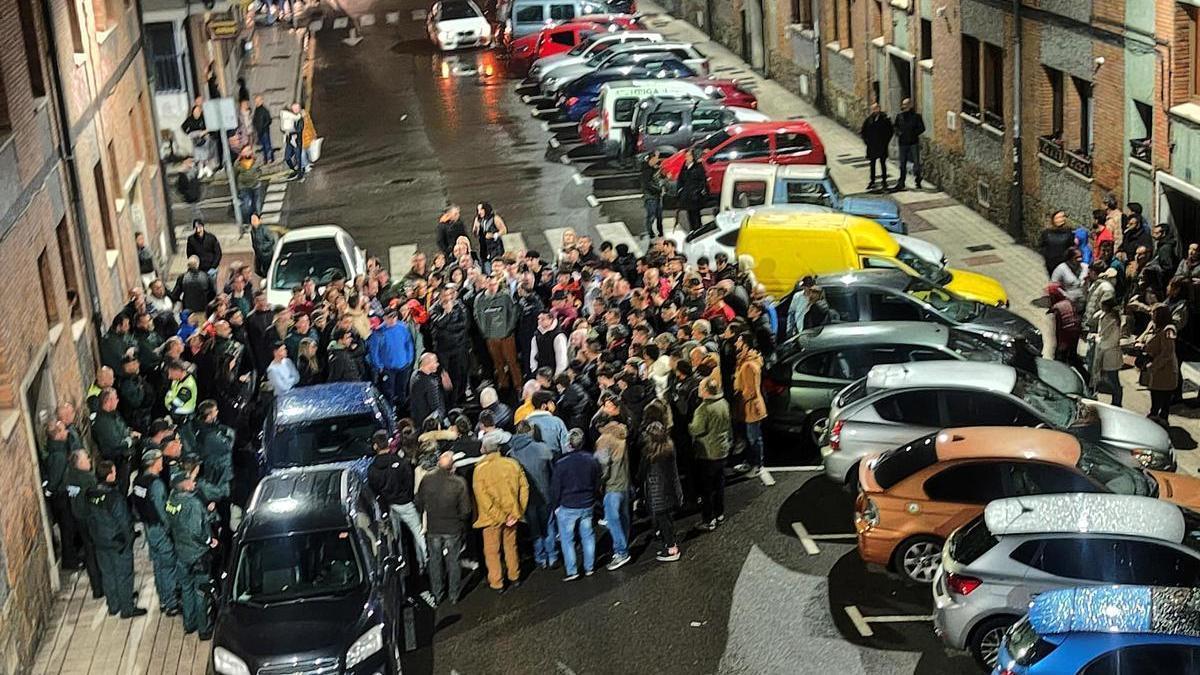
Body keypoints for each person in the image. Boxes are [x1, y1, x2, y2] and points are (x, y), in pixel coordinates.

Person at [87, 460, 146, 618]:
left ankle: (113, 605)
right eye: (113, 471)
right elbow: (124, 521)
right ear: (109, 475)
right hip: (117, 541)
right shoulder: (114, 497)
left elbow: (89, 518)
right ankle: (127, 608)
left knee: (108, 574)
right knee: (124, 574)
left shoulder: (91, 494)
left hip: (100, 541)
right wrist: (129, 539)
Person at [472, 437, 529, 592]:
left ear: (484, 450)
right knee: (511, 546)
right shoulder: (512, 464)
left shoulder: (479, 470)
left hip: (491, 519)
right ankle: (514, 575)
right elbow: (524, 488)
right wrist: (517, 512)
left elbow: (483, 500)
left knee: (492, 551)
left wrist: (501, 517)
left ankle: (497, 582)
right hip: (512, 515)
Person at [416, 450, 472, 605]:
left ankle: (437, 593)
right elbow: (466, 510)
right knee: (453, 561)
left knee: (435, 561)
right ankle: (454, 594)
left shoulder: (427, 480)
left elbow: (418, 503)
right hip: (453, 528)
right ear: (452, 467)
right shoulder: (459, 483)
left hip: (434, 527)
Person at [165, 462, 214, 639]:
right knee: (202, 591)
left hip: (181, 552)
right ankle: (204, 628)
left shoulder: (171, 499)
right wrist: (210, 540)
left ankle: (189, 623)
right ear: (184, 484)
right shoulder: (192, 504)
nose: (193, 481)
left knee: (186, 589)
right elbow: (196, 530)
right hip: (198, 554)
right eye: (190, 479)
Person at [367, 430, 426, 570]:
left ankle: (400, 566)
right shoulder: (400, 462)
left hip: (387, 506)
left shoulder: (372, 469)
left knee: (395, 538)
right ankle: (425, 560)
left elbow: (374, 490)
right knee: (418, 533)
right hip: (405, 503)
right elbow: (409, 483)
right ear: (388, 443)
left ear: (375, 446)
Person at [132, 449, 181, 615]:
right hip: (159, 528)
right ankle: (171, 604)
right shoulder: (156, 484)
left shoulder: (138, 481)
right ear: (153, 462)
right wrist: (169, 529)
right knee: (168, 565)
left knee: (159, 566)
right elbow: (162, 509)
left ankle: (163, 600)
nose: (162, 462)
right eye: (160, 460)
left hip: (148, 527)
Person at [550, 429, 600, 580]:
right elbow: (597, 480)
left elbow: (555, 488)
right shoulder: (591, 459)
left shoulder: (561, 464)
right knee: (588, 535)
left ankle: (572, 571)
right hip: (587, 503)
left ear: (569, 444)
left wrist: (555, 507)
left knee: (567, 540)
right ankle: (589, 567)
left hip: (568, 506)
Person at [508, 421, 557, 568]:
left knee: (534, 529)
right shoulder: (542, 448)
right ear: (530, 433)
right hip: (545, 494)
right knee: (548, 526)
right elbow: (552, 472)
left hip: (527, 499)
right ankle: (552, 556)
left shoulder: (512, 454)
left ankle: (540, 558)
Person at [688, 377, 731, 530]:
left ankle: (708, 519)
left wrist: (689, 426)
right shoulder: (723, 403)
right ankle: (720, 513)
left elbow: (697, 429)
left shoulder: (704, 409)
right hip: (722, 450)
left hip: (708, 453)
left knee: (706, 489)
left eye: (700, 387)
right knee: (719, 485)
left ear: (705, 391)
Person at [42, 421, 82, 570]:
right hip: (61, 496)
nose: (67, 432)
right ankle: (70, 561)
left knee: (69, 527)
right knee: (67, 528)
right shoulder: (58, 455)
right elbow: (55, 477)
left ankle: (73, 556)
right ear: (57, 435)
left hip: (61, 494)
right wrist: (49, 491)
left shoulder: (57, 449)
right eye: (64, 431)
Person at [640, 422, 682, 562]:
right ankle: (668, 542)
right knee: (667, 518)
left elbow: (642, 472)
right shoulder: (670, 447)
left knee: (663, 520)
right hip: (670, 489)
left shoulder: (649, 453)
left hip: (656, 492)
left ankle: (671, 548)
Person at [65, 448, 103, 598]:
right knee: (96, 553)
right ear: (79, 463)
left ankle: (96, 588)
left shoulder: (69, 476)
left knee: (89, 552)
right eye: (86, 458)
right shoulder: (87, 479)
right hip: (90, 518)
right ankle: (102, 585)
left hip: (78, 518)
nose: (89, 460)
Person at [474, 274, 522, 392]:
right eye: (490, 284)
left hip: (506, 336)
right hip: (491, 337)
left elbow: (513, 313)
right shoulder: (480, 299)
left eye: (494, 284)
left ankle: (518, 385)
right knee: (498, 362)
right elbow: (478, 317)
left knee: (512, 362)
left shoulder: (505, 297)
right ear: (486, 285)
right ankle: (503, 384)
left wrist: (508, 330)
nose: (492, 287)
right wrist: (486, 333)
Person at [594, 421, 631, 570]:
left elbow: (602, 467)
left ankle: (621, 552)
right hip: (625, 484)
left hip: (612, 487)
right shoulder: (621, 437)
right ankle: (624, 544)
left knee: (613, 520)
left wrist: (597, 483)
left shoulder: (604, 441)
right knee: (623, 517)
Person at [368, 309, 416, 411]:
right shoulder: (378, 333)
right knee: (388, 393)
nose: (393, 319)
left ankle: (401, 412)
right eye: (390, 317)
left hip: (403, 367)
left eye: (394, 316)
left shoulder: (403, 327)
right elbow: (374, 352)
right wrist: (380, 367)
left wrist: (409, 359)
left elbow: (409, 344)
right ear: (384, 318)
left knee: (402, 391)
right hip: (388, 369)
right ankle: (390, 413)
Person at [732, 332, 766, 475]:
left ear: (745, 344)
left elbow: (750, 390)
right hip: (746, 406)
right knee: (748, 436)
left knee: (754, 438)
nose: (736, 343)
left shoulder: (749, 365)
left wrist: (739, 400)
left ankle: (757, 464)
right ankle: (750, 461)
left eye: (739, 341)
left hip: (751, 407)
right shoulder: (744, 361)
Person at [1141, 304, 1179, 425]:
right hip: (1155, 366)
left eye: (1154, 313)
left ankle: (1162, 417)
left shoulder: (1169, 330)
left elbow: (1167, 352)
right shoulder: (1154, 326)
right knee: (1155, 391)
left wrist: (1153, 366)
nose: (1151, 315)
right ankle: (1154, 413)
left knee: (1164, 394)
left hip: (1165, 368)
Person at [1090, 297, 1123, 408]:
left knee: (1114, 381)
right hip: (1105, 354)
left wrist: (1097, 339)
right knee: (1107, 379)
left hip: (1111, 355)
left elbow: (1108, 341)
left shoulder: (1112, 322)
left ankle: (1117, 403)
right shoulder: (1106, 317)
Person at [1047, 283, 1083, 373]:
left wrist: (1060, 343)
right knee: (1072, 353)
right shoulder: (1068, 302)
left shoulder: (1057, 308)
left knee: (1060, 357)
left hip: (1066, 334)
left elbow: (1058, 329)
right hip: (1076, 332)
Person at [891, 98, 925, 192]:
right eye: (903, 104)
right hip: (903, 143)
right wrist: (899, 133)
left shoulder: (916, 116)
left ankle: (918, 180)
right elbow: (895, 127)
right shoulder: (900, 116)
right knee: (902, 164)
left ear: (910, 105)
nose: (904, 106)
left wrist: (914, 133)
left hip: (913, 142)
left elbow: (922, 128)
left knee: (916, 163)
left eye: (906, 105)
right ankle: (901, 182)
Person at [860, 102, 893, 191]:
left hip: (882, 145)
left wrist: (886, 141)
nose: (875, 110)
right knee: (872, 164)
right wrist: (866, 141)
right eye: (873, 109)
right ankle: (872, 181)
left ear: (879, 108)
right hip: (872, 146)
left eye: (876, 108)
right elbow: (863, 131)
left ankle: (884, 181)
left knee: (883, 163)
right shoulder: (869, 120)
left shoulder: (885, 119)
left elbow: (890, 131)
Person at [526, 390, 570, 456]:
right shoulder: (557, 422)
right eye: (551, 403)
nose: (554, 405)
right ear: (544, 406)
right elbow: (566, 448)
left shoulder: (525, 423)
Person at [677, 147, 708, 230]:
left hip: (695, 196)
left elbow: (702, 181)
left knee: (696, 216)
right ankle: (692, 230)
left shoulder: (698, 167)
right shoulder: (685, 167)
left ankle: (698, 230)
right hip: (687, 196)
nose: (687, 158)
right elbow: (680, 179)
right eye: (686, 156)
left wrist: (698, 191)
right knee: (690, 216)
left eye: (689, 156)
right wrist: (680, 191)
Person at [1039, 210, 1075, 277]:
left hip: (1064, 263)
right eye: (1058, 217)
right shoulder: (1047, 233)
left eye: (1062, 217)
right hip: (1051, 263)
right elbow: (1042, 246)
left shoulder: (1069, 233)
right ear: (1053, 219)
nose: (1060, 219)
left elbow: (1071, 246)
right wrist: (1046, 256)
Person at [640, 150, 665, 238]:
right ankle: (650, 233)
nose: (657, 160)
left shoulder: (656, 168)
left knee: (659, 216)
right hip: (650, 196)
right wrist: (658, 190)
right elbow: (647, 184)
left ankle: (660, 231)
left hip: (657, 195)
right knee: (651, 216)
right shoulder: (646, 170)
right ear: (651, 158)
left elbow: (661, 177)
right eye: (656, 158)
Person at [252, 94, 274, 163]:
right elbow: (254, 120)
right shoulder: (256, 111)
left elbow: (269, 120)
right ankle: (265, 158)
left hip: (264, 131)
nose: (257, 102)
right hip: (259, 131)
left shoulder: (264, 110)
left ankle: (270, 158)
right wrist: (255, 126)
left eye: (258, 101)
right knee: (263, 146)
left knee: (267, 145)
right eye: (256, 101)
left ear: (262, 101)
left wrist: (264, 127)